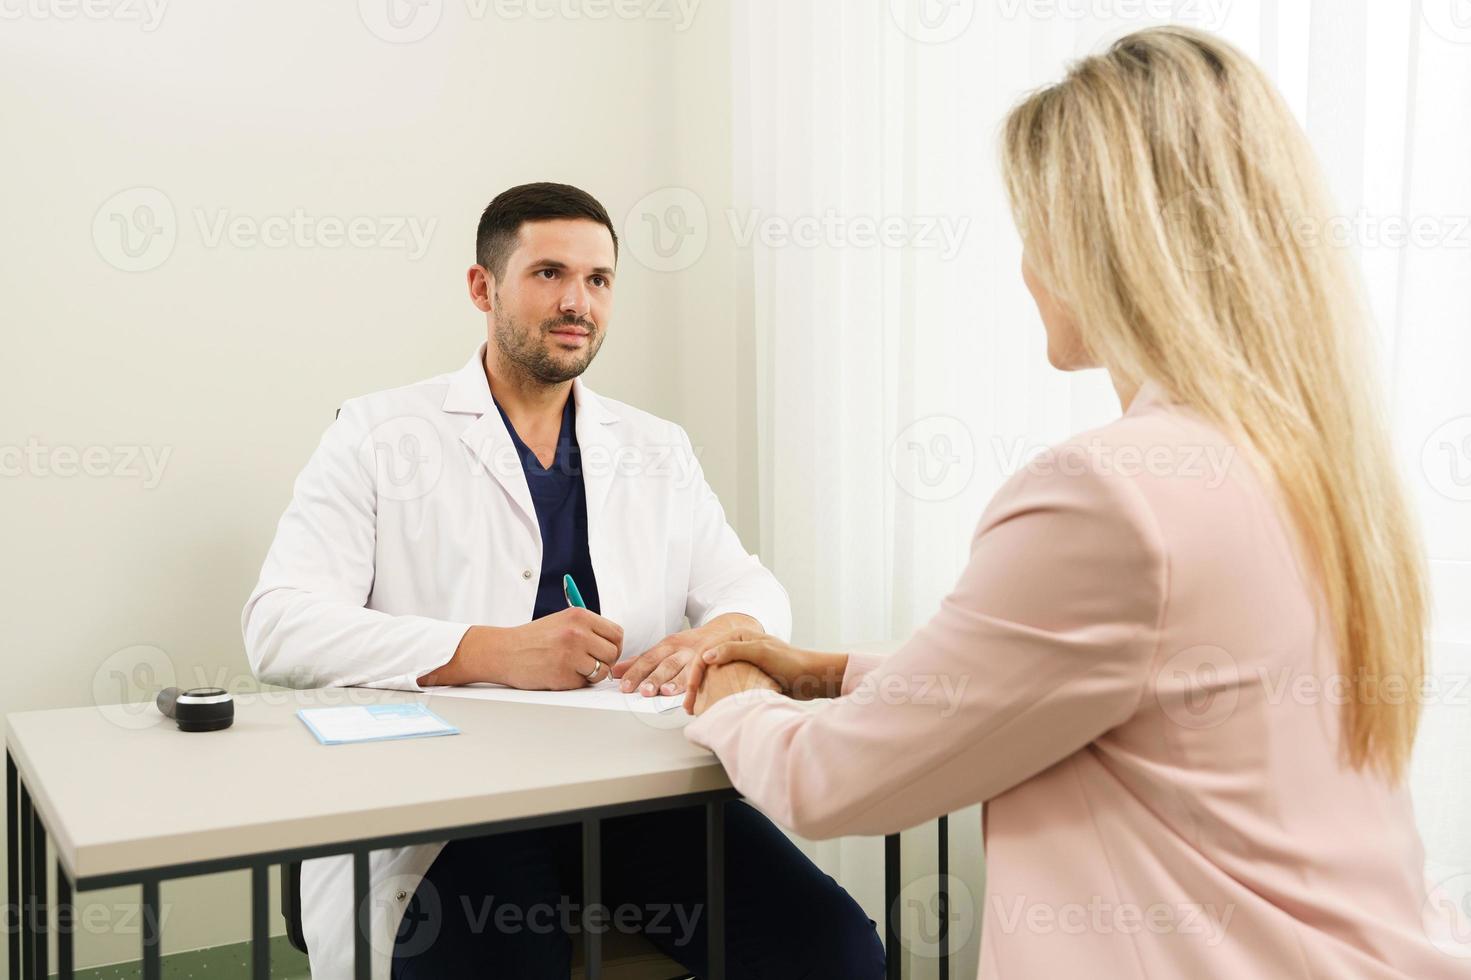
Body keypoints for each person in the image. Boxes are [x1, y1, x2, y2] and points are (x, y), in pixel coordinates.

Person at [681, 26, 1471, 978]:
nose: (1024, 268)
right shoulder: (1314, 465)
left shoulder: (1109, 494)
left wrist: (731, 700)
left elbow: (830, 782)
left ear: (1104, 241)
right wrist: (834, 669)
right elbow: (1135, 682)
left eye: (1032, 227)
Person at [242, 183, 883, 979]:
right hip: (462, 805)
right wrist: (489, 650)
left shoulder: (654, 445)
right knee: (505, 961)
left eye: (599, 280)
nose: (576, 301)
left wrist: (714, 640)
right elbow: (279, 624)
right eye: (549, 273)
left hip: (637, 794)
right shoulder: (379, 433)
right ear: (483, 287)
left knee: (834, 950)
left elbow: (748, 587)